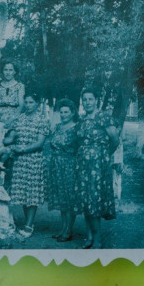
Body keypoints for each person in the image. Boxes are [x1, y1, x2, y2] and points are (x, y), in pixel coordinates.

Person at [75, 88, 119, 249]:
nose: (87, 102)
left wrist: (102, 155)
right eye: (85, 99)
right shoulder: (82, 119)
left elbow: (115, 140)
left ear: (96, 101)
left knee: (94, 200)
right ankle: (89, 237)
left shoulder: (103, 117)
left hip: (98, 166)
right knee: (86, 199)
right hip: (82, 166)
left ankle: (97, 239)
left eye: (90, 99)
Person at [5, 90, 49, 237]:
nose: (28, 105)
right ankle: (28, 222)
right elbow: (11, 135)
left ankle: (29, 225)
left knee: (32, 193)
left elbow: (40, 143)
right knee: (23, 192)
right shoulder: (20, 118)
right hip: (20, 160)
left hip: (34, 159)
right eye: (26, 102)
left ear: (37, 104)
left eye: (31, 102)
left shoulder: (42, 119)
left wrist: (23, 148)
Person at [44, 98, 80, 242]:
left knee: (69, 199)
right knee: (61, 199)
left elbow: (80, 148)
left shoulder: (77, 128)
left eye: (66, 112)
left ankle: (68, 230)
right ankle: (63, 228)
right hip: (56, 166)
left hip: (70, 166)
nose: (63, 115)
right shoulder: (57, 127)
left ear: (73, 113)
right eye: (62, 112)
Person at [0, 61, 24, 127]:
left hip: (13, 116)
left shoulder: (20, 86)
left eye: (10, 70)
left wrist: (11, 119)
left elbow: (21, 106)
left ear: (15, 72)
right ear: (2, 71)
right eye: (5, 70)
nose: (8, 73)